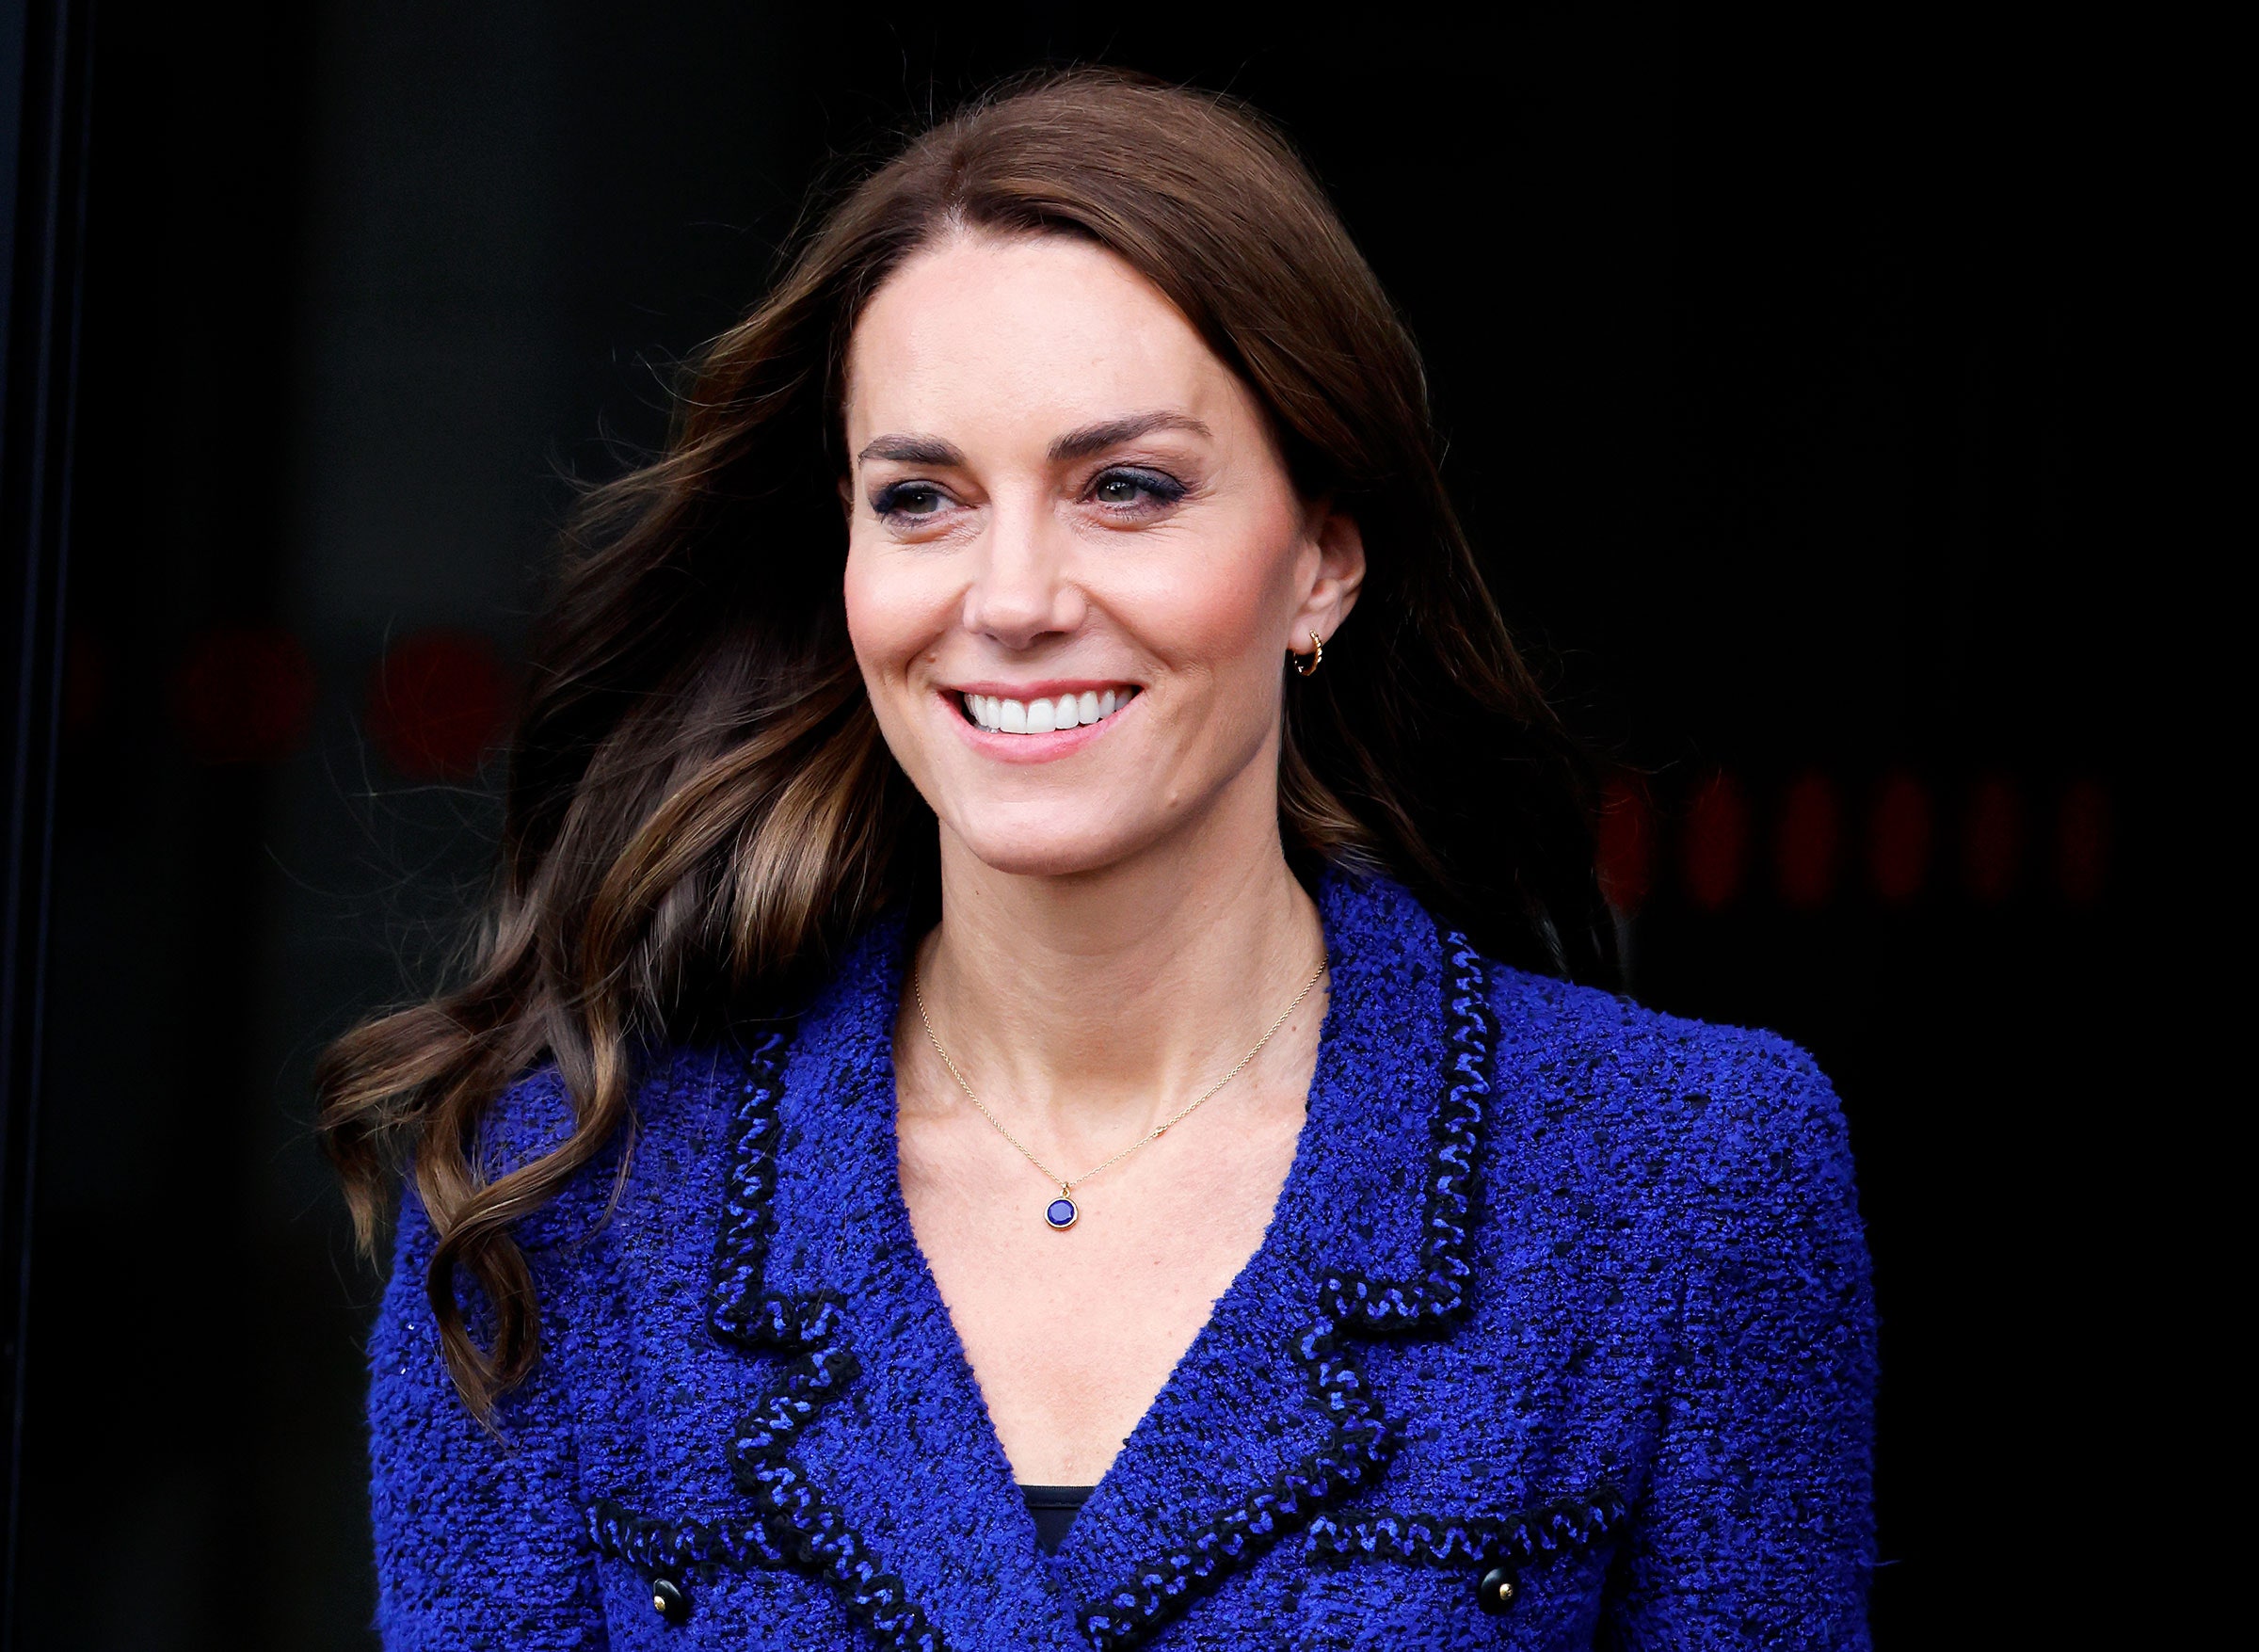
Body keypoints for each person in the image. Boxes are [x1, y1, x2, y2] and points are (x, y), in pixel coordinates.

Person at [320, 69, 1874, 1651]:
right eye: (920, 498)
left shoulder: (1680, 1184)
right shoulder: (561, 1203)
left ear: (1324, 558)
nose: (1011, 595)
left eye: (1124, 488)